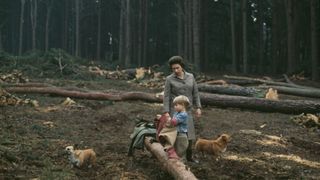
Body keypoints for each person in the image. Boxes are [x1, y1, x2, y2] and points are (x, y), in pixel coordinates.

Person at [163, 56, 202, 163]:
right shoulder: (169, 79)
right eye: (173, 69)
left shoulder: (191, 77)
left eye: (177, 68)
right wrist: (166, 112)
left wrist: (198, 107)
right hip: (175, 111)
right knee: (179, 134)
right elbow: (166, 97)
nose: (175, 70)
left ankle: (190, 156)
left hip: (188, 110)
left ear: (182, 67)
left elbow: (195, 93)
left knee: (190, 134)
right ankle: (177, 157)